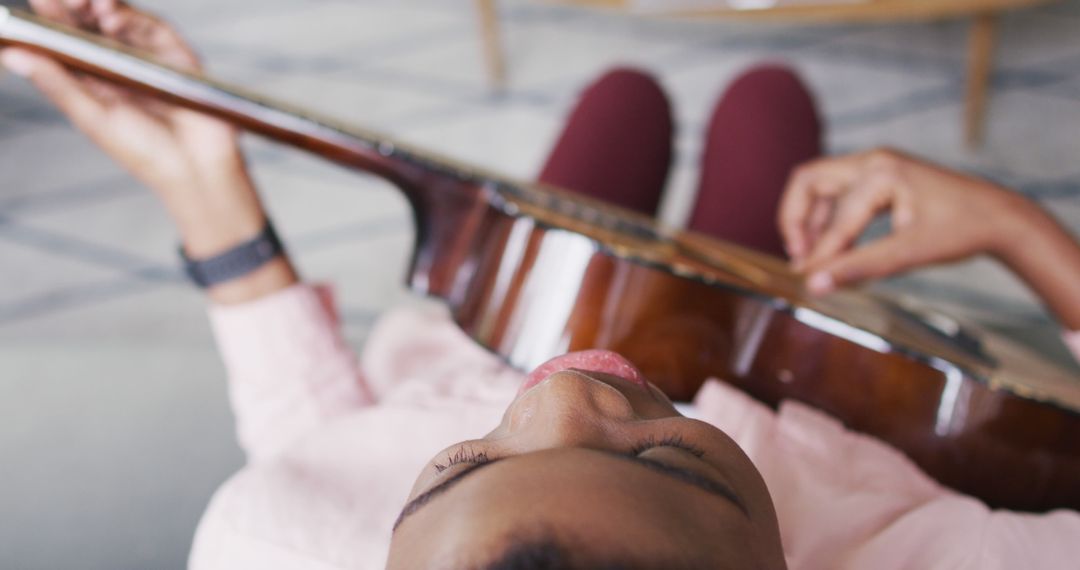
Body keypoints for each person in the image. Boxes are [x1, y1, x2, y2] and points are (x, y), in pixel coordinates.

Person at [2, 1, 1079, 568]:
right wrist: (1025, 235)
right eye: (673, 468)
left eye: (452, 472)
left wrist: (203, 183)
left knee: (618, 98)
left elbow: (310, 454)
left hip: (481, 328)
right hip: (786, 366)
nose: (564, 382)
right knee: (769, 100)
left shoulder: (264, 547)